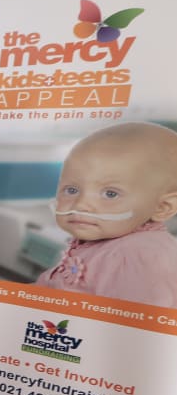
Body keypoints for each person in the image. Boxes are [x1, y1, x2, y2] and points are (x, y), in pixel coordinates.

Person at [35, 121, 177, 308]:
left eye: (110, 194)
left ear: (162, 207)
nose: (81, 204)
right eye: (71, 190)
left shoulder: (139, 256)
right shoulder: (104, 237)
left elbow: (141, 328)